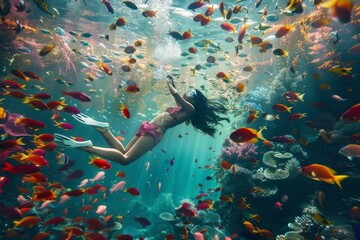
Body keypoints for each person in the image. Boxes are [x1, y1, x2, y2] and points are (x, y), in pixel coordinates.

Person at [54, 76, 230, 165]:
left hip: (149, 127)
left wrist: (170, 85)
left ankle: (104, 130)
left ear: (195, 101)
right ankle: (87, 146)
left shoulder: (190, 110)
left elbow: (176, 95)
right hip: (153, 132)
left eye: (192, 94)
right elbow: (178, 97)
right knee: (125, 159)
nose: (188, 93)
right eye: (189, 91)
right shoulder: (184, 108)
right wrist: (173, 84)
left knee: (123, 152)